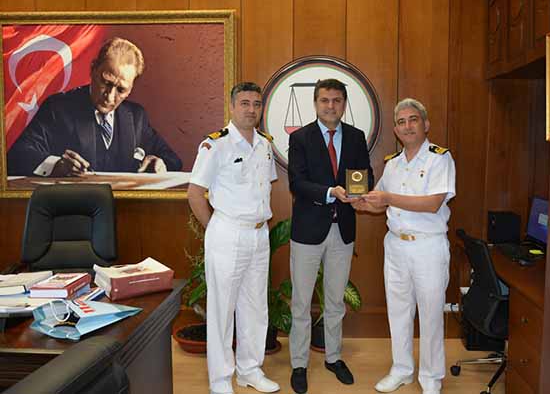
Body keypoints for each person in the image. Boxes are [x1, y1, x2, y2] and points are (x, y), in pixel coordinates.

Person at [353, 98, 455, 394]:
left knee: (431, 314)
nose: (407, 126)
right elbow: (380, 204)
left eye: (413, 120)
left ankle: (431, 378)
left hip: (428, 247)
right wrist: (362, 202)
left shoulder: (440, 158)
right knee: (398, 311)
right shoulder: (393, 164)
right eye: (401, 122)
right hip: (396, 246)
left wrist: (387, 199)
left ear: (425, 124)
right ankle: (402, 369)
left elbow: (433, 203)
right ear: (396, 130)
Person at [187, 82, 280, 394]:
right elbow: (195, 194)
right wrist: (215, 227)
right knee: (222, 310)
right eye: (244, 103)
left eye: (257, 104)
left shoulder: (265, 144)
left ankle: (250, 370)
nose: (251, 110)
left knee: (255, 307)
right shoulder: (215, 145)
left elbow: (265, 188)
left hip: (259, 235)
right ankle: (220, 379)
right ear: (231, 106)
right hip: (227, 233)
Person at [287, 78, 373, 394]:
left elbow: (365, 174)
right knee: (301, 302)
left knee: (335, 300)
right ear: (316, 103)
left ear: (344, 104)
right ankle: (299, 364)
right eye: (325, 100)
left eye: (337, 100)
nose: (331, 106)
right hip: (308, 231)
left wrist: (358, 192)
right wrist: (330, 192)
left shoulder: (355, 136)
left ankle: (333, 358)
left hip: (343, 229)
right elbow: (297, 183)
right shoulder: (300, 138)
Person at [7, 37, 182, 177]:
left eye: (121, 90)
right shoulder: (58, 108)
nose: (110, 96)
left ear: (131, 89)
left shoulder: (136, 116)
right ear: (92, 70)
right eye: (106, 82)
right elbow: (17, 156)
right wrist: (55, 165)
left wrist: (160, 163)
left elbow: (173, 160)